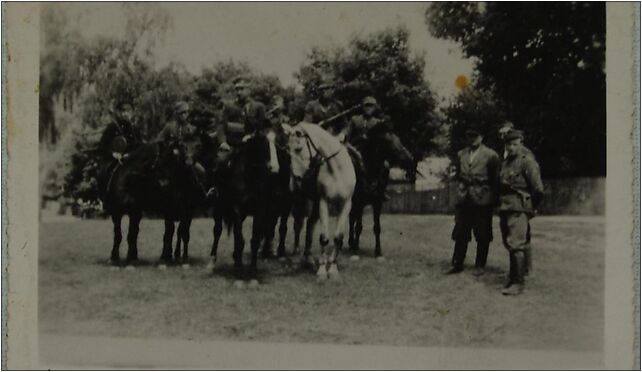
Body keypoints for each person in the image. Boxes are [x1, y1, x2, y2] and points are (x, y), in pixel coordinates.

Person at [447, 126, 500, 276]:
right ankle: (457, 263)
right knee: (460, 232)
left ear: (481, 137)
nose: (472, 139)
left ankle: (480, 265)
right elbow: (458, 174)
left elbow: (495, 180)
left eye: (475, 136)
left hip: (482, 198)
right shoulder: (461, 154)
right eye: (469, 136)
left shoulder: (491, 155)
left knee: (482, 233)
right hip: (464, 198)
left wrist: (493, 200)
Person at [498, 129, 544, 295]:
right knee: (509, 243)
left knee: (516, 243)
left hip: (519, 207)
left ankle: (518, 283)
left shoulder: (527, 162)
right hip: (505, 207)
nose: (511, 148)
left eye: (514, 144)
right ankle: (513, 276)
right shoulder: (505, 163)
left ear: (521, 144)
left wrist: (532, 207)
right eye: (508, 144)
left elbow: (538, 189)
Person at [498, 121, 536, 276]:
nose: (503, 136)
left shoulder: (525, 154)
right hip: (507, 203)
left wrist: (532, 205)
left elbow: (534, 183)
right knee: (514, 238)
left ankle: (525, 271)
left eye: (506, 132)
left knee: (520, 238)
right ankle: (517, 271)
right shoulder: (505, 153)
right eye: (501, 133)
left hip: (521, 203)